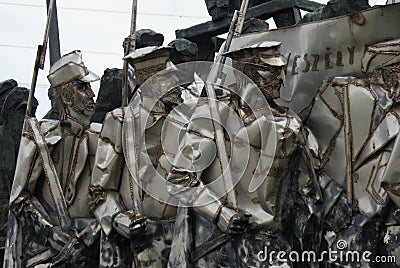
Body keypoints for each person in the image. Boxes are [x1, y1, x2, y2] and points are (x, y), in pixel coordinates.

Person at [166, 41, 321, 267]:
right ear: (246, 73)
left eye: (280, 72)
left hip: (272, 247)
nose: (280, 80)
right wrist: (218, 212)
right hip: (221, 247)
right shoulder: (213, 115)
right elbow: (180, 180)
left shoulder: (289, 123)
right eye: (270, 71)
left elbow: (306, 190)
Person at [90, 46, 197, 267]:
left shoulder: (190, 121)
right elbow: (100, 191)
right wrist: (117, 218)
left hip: (183, 239)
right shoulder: (120, 123)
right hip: (137, 244)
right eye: (170, 79)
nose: (178, 85)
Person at [302, 38, 400, 267]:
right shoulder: (340, 94)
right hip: (344, 218)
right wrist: (335, 204)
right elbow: (314, 154)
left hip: (390, 224)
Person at [5, 50, 101, 267]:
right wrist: (52, 235)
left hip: (93, 249)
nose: (91, 94)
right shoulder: (40, 137)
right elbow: (20, 199)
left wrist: (89, 238)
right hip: (48, 254)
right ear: (66, 96)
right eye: (82, 87)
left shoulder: (105, 137)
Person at [0, 87, 38, 265]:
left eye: (32, 112)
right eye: (22, 112)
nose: (27, 119)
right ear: (8, 115)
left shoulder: (35, 147)